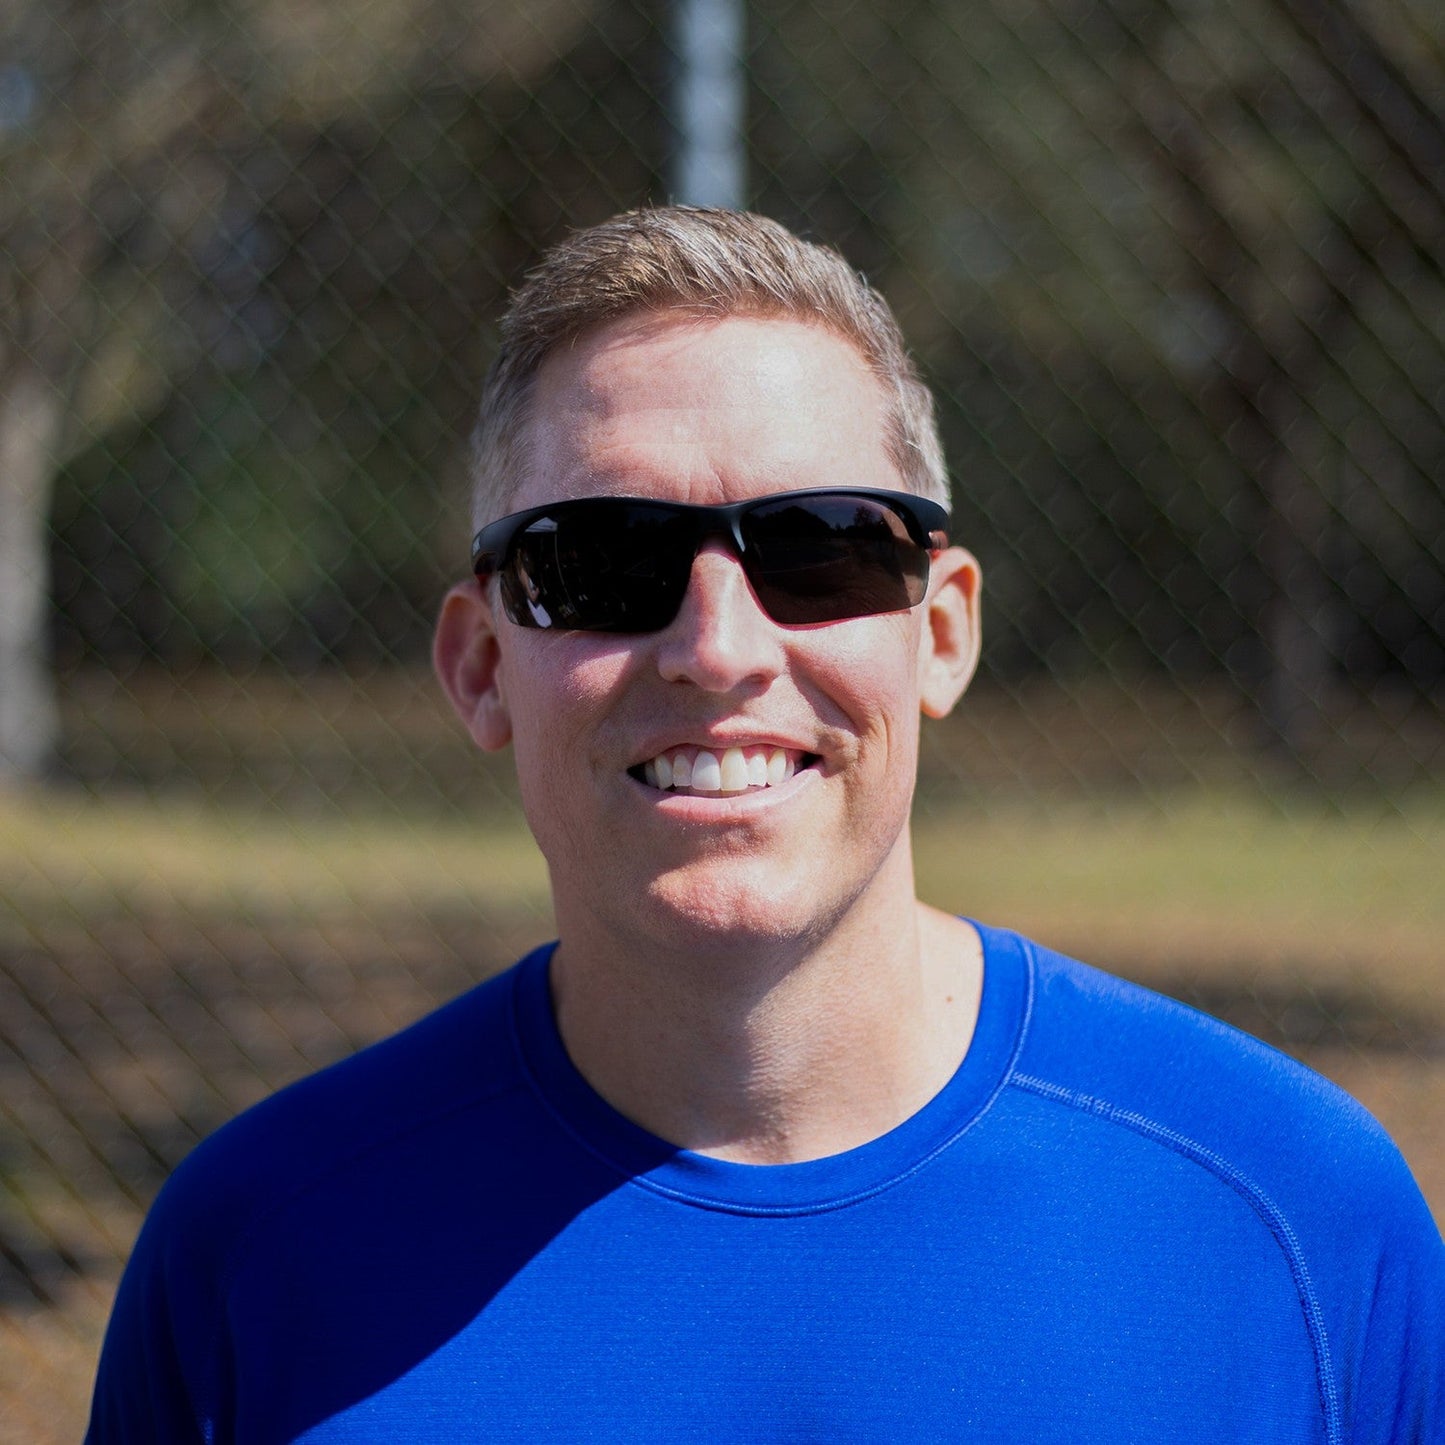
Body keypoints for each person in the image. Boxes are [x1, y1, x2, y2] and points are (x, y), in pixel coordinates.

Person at [87, 207, 1443, 1443]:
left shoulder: (1294, 1222)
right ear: (480, 665)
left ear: (944, 629)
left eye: (823, 546)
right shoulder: (258, 1253)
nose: (718, 647)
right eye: (600, 560)